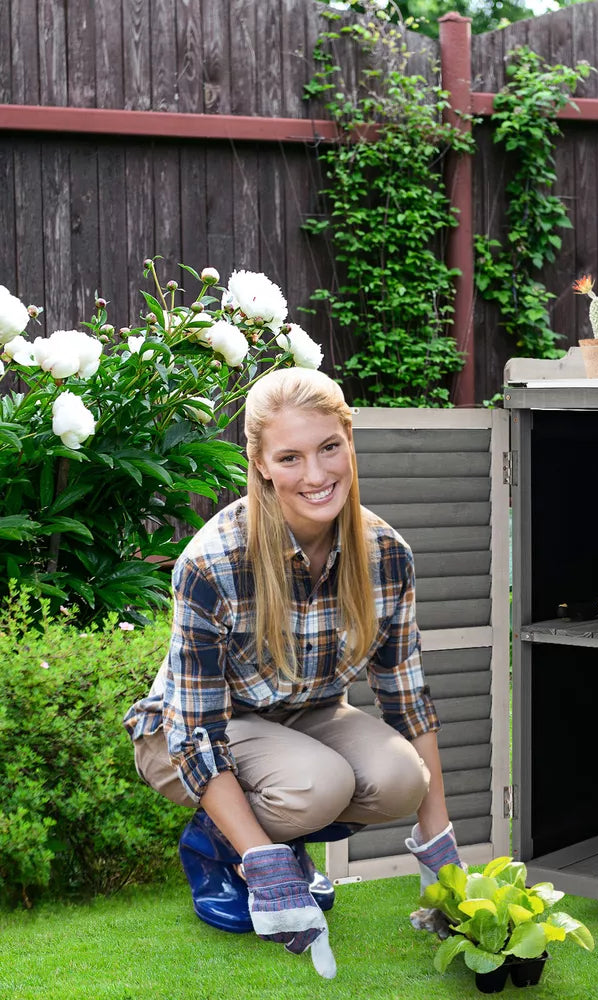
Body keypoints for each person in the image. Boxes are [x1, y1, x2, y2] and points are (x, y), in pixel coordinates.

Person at [124, 367, 462, 978]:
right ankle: (220, 848)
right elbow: (195, 728)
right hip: (187, 737)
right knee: (317, 785)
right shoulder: (213, 562)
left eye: (329, 447)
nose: (316, 475)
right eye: (290, 456)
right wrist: (263, 859)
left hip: (303, 719)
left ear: (349, 441)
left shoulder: (387, 555)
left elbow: (407, 698)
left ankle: (278, 841)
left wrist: (441, 851)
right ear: (260, 463)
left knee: (400, 779)